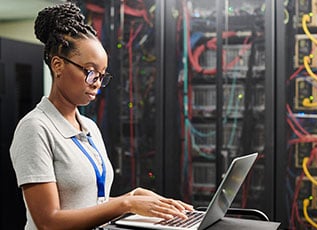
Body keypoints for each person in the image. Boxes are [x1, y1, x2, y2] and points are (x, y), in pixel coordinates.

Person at [9, 2, 193, 230]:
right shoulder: (35, 128)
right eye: (91, 72)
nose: (97, 84)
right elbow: (48, 222)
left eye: (102, 76)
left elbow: (94, 204)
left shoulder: (89, 127)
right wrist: (126, 204)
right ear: (58, 65)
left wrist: (135, 198)